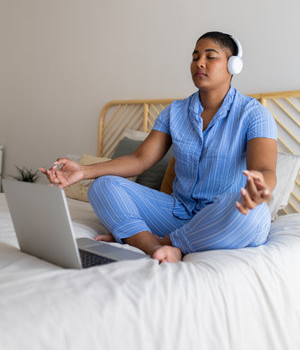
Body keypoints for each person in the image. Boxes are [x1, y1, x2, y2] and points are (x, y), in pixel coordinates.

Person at [40, 31, 277, 263]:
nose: (199, 63)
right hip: (176, 213)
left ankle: (156, 242)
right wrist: (83, 171)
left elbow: (265, 170)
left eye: (210, 56)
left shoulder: (254, 114)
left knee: (256, 215)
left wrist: (258, 189)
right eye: (195, 57)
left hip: (220, 215)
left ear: (233, 65)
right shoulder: (175, 111)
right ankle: (152, 245)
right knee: (103, 185)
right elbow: (140, 160)